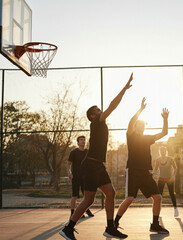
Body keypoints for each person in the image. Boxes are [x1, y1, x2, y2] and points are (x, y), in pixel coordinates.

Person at [59, 73, 133, 240]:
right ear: (93, 115)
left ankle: (110, 227)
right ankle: (68, 228)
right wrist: (124, 89)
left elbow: (110, 108)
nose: (101, 111)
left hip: (98, 165)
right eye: (98, 110)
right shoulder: (96, 122)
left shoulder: (100, 124)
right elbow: (112, 106)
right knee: (88, 200)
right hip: (91, 165)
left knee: (111, 193)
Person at [114, 98, 170, 234]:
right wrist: (140, 110)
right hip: (133, 171)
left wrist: (165, 119)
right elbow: (130, 122)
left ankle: (155, 225)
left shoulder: (147, 138)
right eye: (139, 124)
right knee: (130, 199)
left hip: (145, 173)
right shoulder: (131, 136)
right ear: (135, 126)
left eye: (143, 124)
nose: (141, 126)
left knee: (157, 197)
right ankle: (114, 223)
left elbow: (164, 133)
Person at [66, 135, 93, 218]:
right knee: (75, 195)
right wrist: (69, 173)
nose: (83, 141)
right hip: (76, 177)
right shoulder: (74, 152)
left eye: (84, 140)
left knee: (87, 196)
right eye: (81, 140)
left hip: (85, 177)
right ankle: (72, 213)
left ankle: (86, 210)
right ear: (78, 142)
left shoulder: (88, 152)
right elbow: (68, 164)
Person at [153, 146, 179, 217]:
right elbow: (155, 169)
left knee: (171, 194)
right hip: (161, 179)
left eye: (164, 151)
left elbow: (175, 168)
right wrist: (151, 172)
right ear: (160, 152)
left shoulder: (170, 159)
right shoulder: (158, 160)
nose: (163, 152)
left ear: (166, 151)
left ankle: (175, 209)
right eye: (161, 151)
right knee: (159, 196)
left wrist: (173, 176)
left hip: (169, 179)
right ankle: (159, 210)